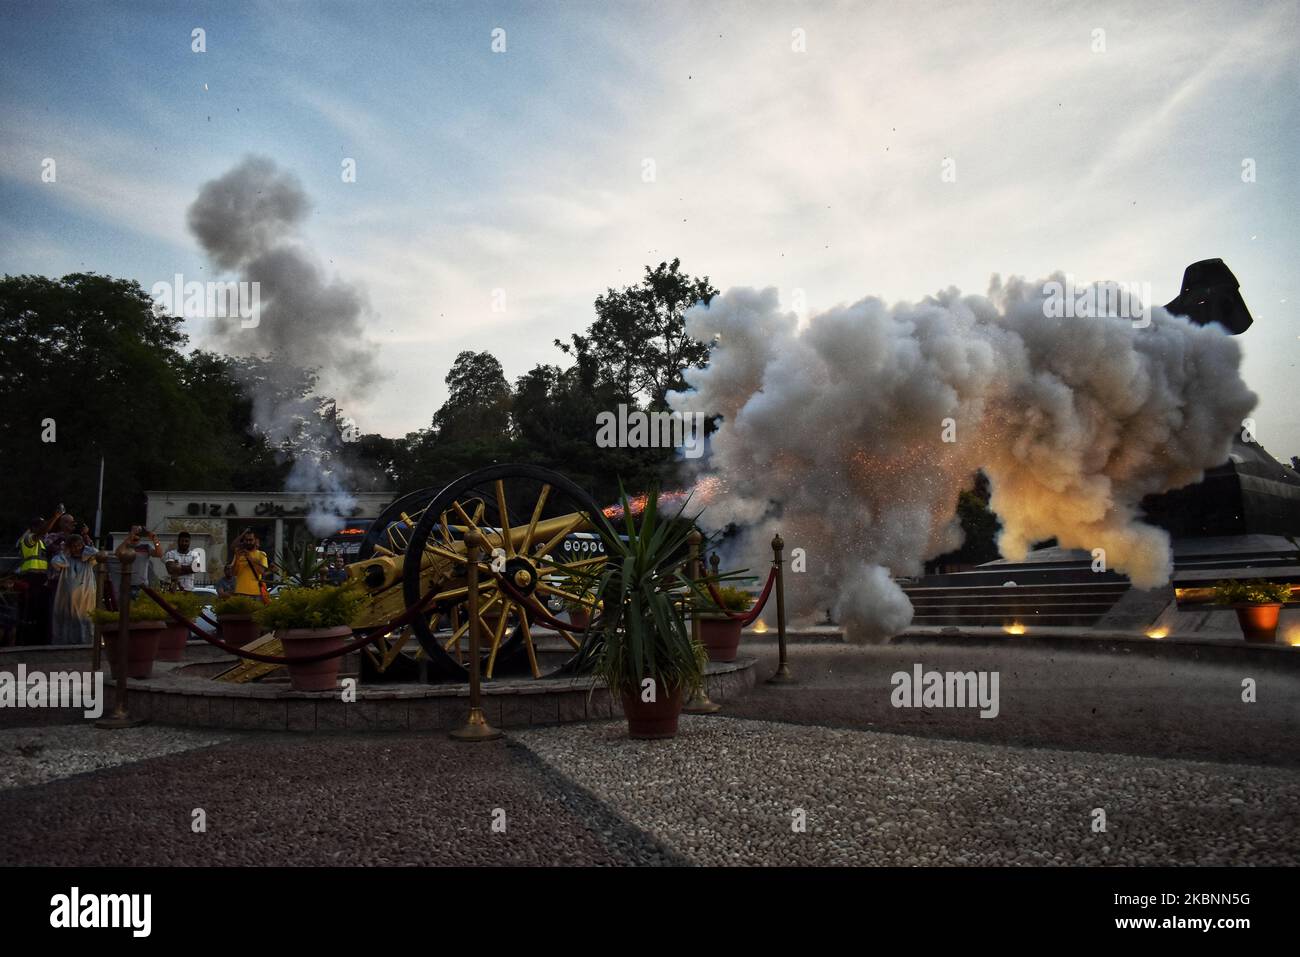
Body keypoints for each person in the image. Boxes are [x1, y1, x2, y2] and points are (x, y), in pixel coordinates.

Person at [15, 511, 59, 645]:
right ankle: (26, 648)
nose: (45, 529)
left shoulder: (40, 542)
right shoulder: (29, 538)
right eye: (41, 526)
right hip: (30, 579)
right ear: (33, 528)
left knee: (41, 613)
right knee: (31, 613)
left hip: (39, 580)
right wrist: (56, 516)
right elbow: (42, 532)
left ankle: (38, 641)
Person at [49, 534, 100, 645]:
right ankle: (66, 640)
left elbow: (96, 553)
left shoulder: (88, 559)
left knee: (85, 615)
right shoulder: (66, 558)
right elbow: (55, 562)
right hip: (68, 595)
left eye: (79, 545)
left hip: (85, 592)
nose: (76, 548)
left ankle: (86, 640)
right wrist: (65, 552)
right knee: (69, 615)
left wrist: (85, 549)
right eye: (73, 546)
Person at [230, 529, 269, 600]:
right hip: (241, 592)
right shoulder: (239, 554)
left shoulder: (261, 554)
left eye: (251, 540)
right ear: (243, 541)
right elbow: (233, 573)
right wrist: (237, 558)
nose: (248, 542)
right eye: (246, 540)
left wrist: (250, 558)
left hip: (256, 593)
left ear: (255, 540)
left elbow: (262, 571)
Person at [125, 526, 163, 598]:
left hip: (142, 585)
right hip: (127, 584)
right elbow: (118, 553)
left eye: (138, 533)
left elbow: (159, 554)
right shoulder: (126, 546)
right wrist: (130, 538)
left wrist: (155, 540)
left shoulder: (145, 547)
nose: (136, 535)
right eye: (134, 532)